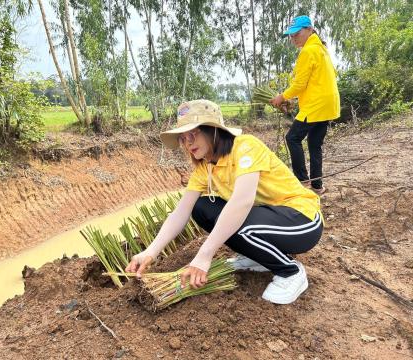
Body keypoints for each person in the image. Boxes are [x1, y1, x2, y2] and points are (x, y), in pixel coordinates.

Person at [125, 99, 323, 305]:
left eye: (193, 134)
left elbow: (242, 202)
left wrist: (204, 255)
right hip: (268, 219)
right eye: (183, 138)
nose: (188, 143)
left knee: (243, 226)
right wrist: (151, 251)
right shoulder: (204, 168)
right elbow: (180, 212)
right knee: (201, 208)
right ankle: (258, 257)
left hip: (303, 221)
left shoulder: (245, 146)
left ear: (213, 130)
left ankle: (290, 272)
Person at [270, 15, 340, 195]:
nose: (293, 38)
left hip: (316, 105)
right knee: (314, 144)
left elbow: (300, 84)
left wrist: (282, 97)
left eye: (296, 34)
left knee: (292, 138)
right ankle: (317, 186)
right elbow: (315, 80)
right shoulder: (321, 48)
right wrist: (294, 98)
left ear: (309, 29)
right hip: (328, 104)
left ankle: (302, 182)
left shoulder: (308, 51)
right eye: (291, 35)